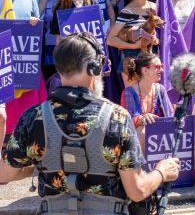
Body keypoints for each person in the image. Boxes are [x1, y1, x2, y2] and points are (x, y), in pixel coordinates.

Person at [0, 33, 180, 213]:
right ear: (93, 68)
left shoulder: (33, 118)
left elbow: (4, 173)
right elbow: (137, 190)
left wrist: (42, 163)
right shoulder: (117, 118)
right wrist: (161, 172)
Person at [0, 0, 44, 158]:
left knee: (29, 108)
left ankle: (25, 148)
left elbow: (38, 32)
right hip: (4, 64)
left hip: (26, 63)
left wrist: (35, 22)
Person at [107, 0, 158, 100]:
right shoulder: (127, 11)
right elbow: (111, 39)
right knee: (135, 98)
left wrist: (156, 39)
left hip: (153, 58)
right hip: (132, 60)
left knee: (152, 98)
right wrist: (133, 46)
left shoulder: (155, 8)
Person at [121, 52, 174, 145]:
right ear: (145, 71)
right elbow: (127, 121)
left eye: (161, 66)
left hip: (159, 133)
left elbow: (169, 115)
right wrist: (142, 119)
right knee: (142, 131)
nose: (161, 70)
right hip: (135, 139)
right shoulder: (129, 92)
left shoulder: (160, 89)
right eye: (157, 67)